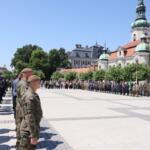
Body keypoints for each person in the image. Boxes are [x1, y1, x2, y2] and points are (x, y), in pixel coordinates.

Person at [19, 75, 43, 150]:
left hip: (30, 130)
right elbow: (29, 117)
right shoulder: (30, 96)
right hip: (28, 132)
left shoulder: (33, 94)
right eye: (38, 81)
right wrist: (33, 135)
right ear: (33, 83)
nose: (40, 83)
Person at [16, 68, 33, 149]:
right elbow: (24, 98)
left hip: (21, 108)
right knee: (23, 126)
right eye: (30, 73)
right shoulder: (23, 84)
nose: (32, 75)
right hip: (23, 109)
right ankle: (22, 144)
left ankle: (20, 143)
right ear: (25, 73)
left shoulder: (23, 83)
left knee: (21, 125)